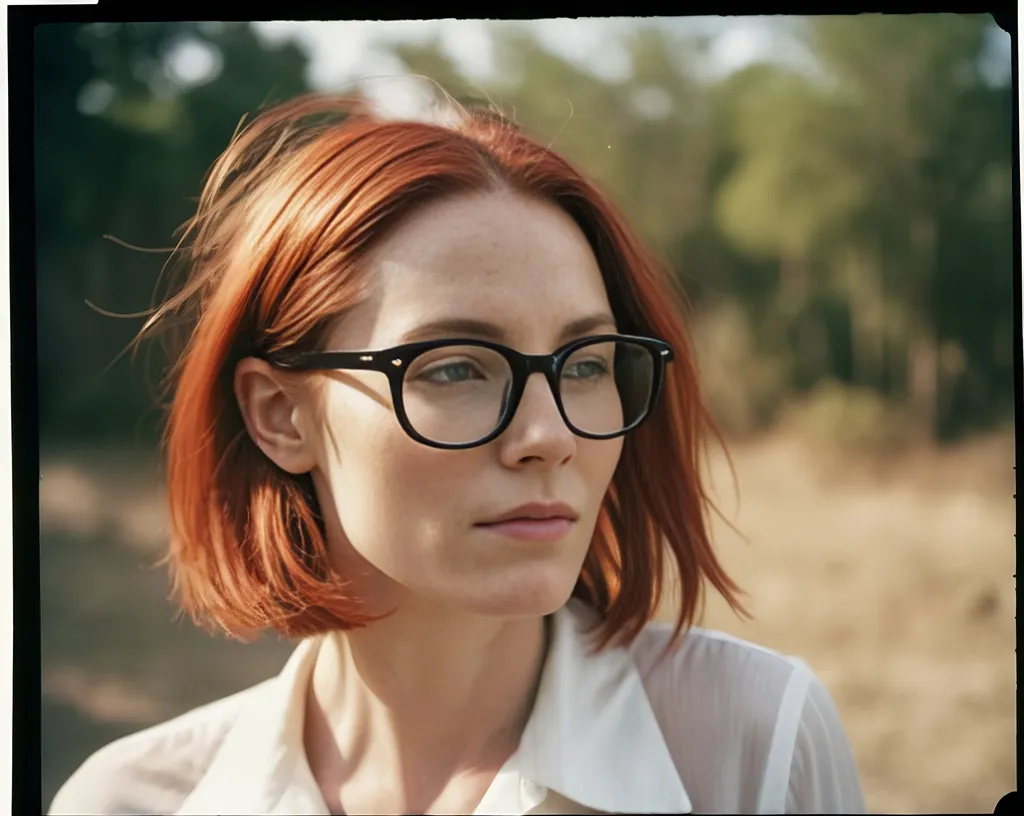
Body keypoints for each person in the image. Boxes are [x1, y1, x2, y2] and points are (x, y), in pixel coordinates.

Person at [49, 91, 865, 815]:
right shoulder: (127, 800)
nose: (550, 436)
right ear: (280, 416)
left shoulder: (756, 749)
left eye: (584, 364)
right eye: (454, 368)